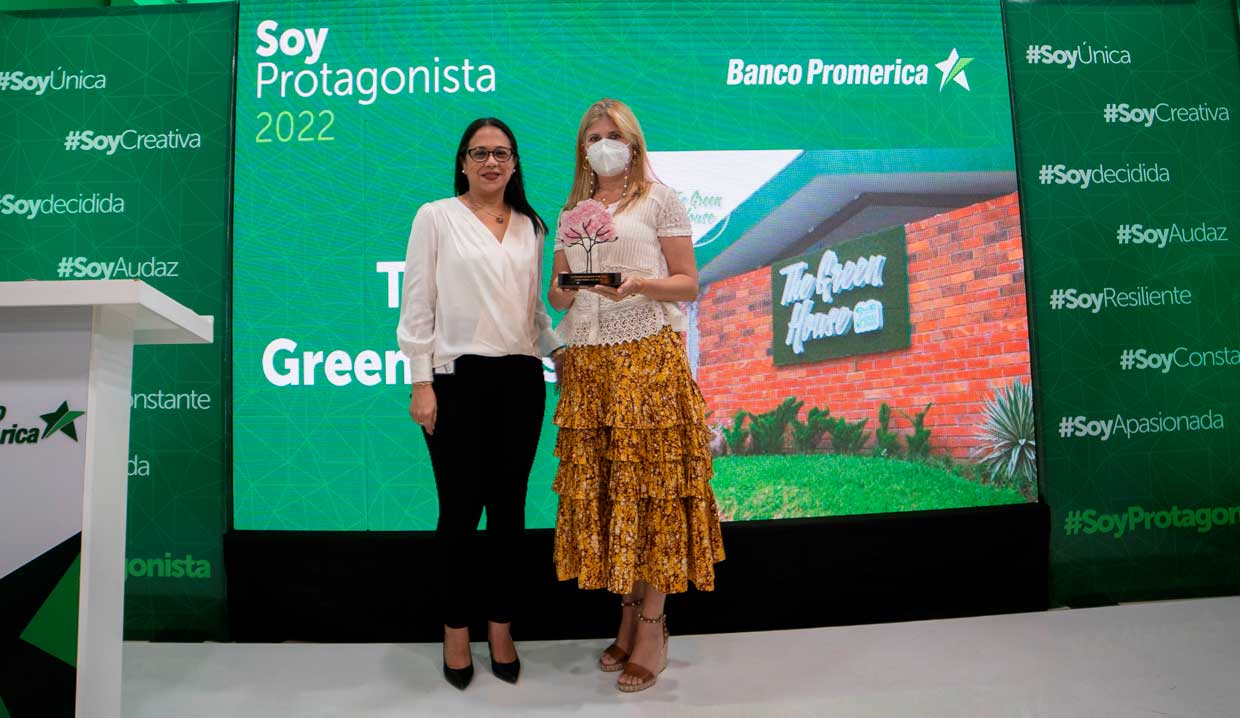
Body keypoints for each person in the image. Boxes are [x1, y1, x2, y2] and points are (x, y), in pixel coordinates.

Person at [548, 98, 725, 693]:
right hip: (590, 365)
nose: (603, 145)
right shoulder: (573, 211)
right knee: (613, 493)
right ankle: (626, 616)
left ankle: (653, 627)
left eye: (613, 135)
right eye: (593, 137)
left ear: (633, 143)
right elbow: (557, 294)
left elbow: (689, 284)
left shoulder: (660, 200)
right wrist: (565, 288)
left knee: (654, 493)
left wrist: (640, 283)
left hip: (647, 357)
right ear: (582, 149)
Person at [397, 117, 563, 690]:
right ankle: (455, 630)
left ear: (515, 163)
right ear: (463, 163)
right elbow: (418, 304)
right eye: (479, 152)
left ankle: (501, 627)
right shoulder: (435, 216)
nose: (491, 162)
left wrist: (559, 352)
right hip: (456, 381)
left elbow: (533, 311)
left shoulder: (532, 226)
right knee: (459, 516)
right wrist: (421, 382)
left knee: (510, 515)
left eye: (502, 153)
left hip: (521, 380)